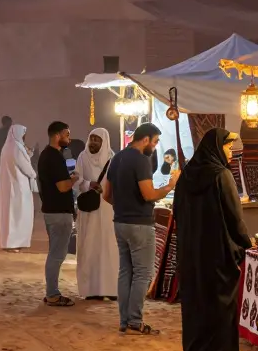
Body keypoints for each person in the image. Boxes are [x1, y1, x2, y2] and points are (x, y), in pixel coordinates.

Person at [174, 128, 252, 351]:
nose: (230, 152)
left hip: (191, 251)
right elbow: (234, 216)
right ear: (217, 147)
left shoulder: (186, 176)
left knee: (196, 303)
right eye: (228, 147)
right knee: (218, 304)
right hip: (217, 252)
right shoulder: (221, 175)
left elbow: (177, 212)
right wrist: (246, 243)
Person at [103, 122, 179, 335]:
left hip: (120, 222)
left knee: (126, 271)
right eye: (154, 142)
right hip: (139, 224)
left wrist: (124, 207)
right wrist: (170, 185)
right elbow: (149, 194)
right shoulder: (140, 160)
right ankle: (135, 320)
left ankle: (124, 320)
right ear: (145, 139)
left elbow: (106, 195)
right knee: (143, 273)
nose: (154, 147)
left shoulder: (116, 158)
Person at [38, 121, 78, 307]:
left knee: (55, 252)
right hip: (58, 213)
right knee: (57, 254)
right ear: (59, 134)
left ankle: (51, 292)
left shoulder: (48, 155)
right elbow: (62, 187)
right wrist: (74, 179)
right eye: (67, 135)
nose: (68, 139)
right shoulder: (53, 157)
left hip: (51, 211)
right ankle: (53, 294)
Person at [75, 127, 119, 300]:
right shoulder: (82, 157)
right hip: (89, 211)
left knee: (109, 247)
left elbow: (118, 181)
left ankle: (110, 288)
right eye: (91, 138)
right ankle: (91, 290)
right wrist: (88, 184)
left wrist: (106, 189)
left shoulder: (112, 158)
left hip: (108, 209)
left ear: (104, 141)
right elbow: (76, 179)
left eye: (96, 139)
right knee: (90, 246)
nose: (93, 142)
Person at [0, 124, 36, 251]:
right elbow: (24, 165)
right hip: (19, 185)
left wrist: (28, 153)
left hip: (11, 186)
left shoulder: (7, 146)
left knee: (12, 214)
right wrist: (33, 174)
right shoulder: (16, 147)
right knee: (18, 214)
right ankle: (13, 242)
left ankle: (10, 242)